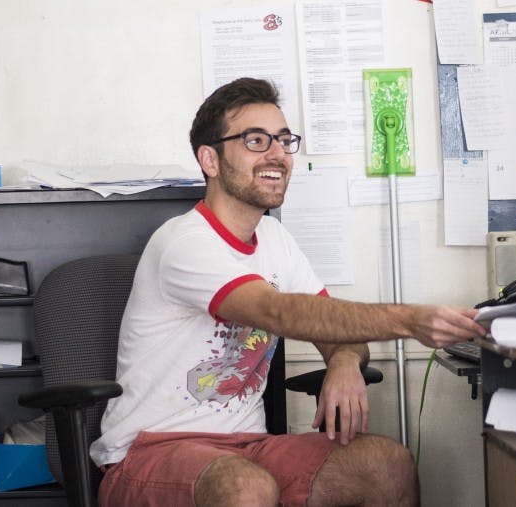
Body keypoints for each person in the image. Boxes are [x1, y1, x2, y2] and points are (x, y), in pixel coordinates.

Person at [89, 77, 486, 506]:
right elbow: (276, 312)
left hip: (248, 447)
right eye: (256, 140)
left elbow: (332, 326)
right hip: (151, 451)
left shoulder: (276, 240)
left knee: (386, 465)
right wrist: (409, 320)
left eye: (283, 140)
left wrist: (346, 361)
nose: (277, 153)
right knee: (244, 487)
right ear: (210, 159)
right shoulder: (183, 242)